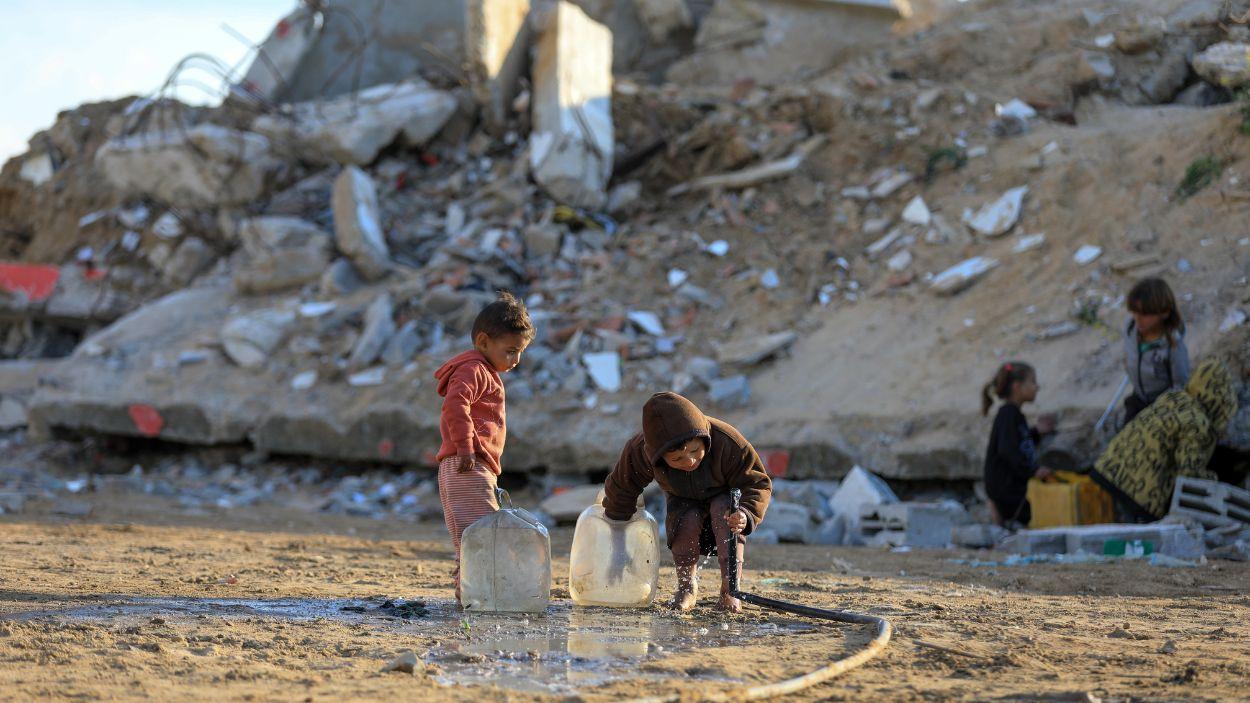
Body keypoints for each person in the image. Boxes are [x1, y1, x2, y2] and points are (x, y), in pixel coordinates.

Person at [602, 392, 772, 613]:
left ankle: (730, 589)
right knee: (685, 522)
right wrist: (617, 542)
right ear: (658, 456)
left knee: (725, 512)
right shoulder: (641, 451)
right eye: (677, 459)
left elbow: (758, 483)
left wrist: (746, 513)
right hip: (681, 498)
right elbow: (621, 490)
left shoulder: (726, 441)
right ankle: (686, 588)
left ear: (704, 438)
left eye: (695, 451)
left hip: (725, 502)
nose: (690, 461)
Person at [434, 291, 534, 603]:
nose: (515, 360)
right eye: (510, 351)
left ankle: (470, 595)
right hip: (468, 464)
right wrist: (465, 448)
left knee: (472, 538)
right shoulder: (474, 370)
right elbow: (455, 406)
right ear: (483, 341)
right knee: (485, 535)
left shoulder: (483, 369)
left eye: (520, 353)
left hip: (467, 464)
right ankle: (484, 597)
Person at [1090, 358, 1237, 521]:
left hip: (1109, 468)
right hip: (1137, 491)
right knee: (1136, 541)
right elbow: (1189, 473)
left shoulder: (1174, 397)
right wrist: (1216, 482)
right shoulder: (1198, 422)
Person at [981, 361, 1054, 529]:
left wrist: (1037, 433)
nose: (1037, 387)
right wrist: (1033, 471)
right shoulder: (1008, 414)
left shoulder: (1014, 415)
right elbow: (1008, 450)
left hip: (1010, 485)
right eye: (1032, 382)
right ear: (1017, 387)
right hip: (1005, 487)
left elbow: (1019, 442)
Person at [1122, 277, 1189, 425]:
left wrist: (1159, 410)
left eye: (1144, 314)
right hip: (1139, 397)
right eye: (1134, 312)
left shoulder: (1173, 347)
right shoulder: (1130, 328)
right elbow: (1128, 353)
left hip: (1162, 408)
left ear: (1164, 312)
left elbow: (1180, 386)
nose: (1137, 319)